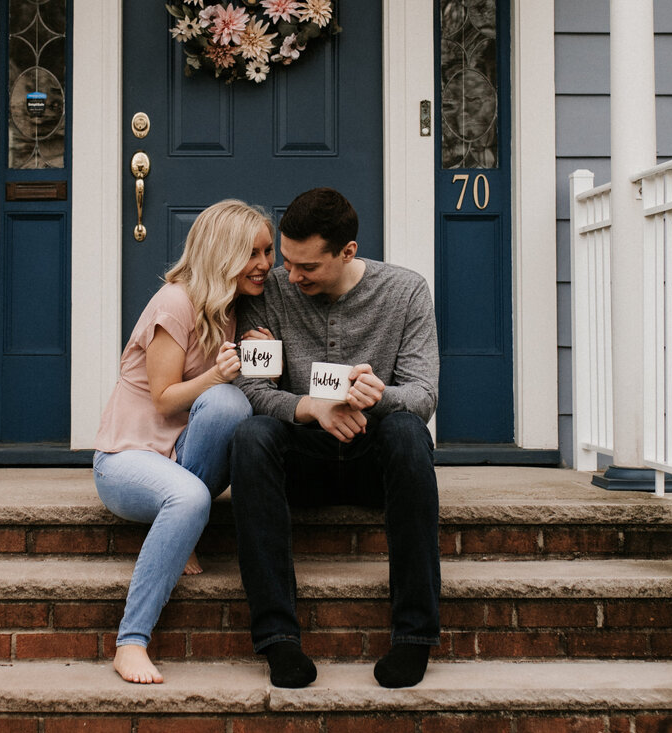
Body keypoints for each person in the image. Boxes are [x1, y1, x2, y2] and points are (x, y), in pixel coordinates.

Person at [232, 186, 440, 690]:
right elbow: (254, 390)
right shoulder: (271, 291)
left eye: (307, 267)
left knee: (410, 432)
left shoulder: (406, 291)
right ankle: (277, 639)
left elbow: (424, 394)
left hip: (375, 455)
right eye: (286, 261)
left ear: (347, 252)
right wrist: (312, 408)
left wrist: (381, 396)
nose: (289, 276)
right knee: (250, 435)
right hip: (302, 457)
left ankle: (415, 636)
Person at [93, 199, 274, 684]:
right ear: (223, 254)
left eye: (268, 251)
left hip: (180, 457)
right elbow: (165, 397)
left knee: (231, 407)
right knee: (191, 493)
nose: (264, 264)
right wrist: (219, 373)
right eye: (252, 253)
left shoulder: (236, 309)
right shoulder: (175, 303)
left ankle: (182, 522)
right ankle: (130, 642)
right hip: (127, 458)